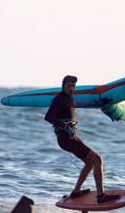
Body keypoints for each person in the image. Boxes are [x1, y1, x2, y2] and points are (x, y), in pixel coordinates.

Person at [45, 75, 119, 203]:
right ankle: (101, 196)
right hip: (66, 139)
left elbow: (78, 104)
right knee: (97, 160)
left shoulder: (69, 99)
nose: (71, 88)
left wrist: (99, 103)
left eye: (73, 86)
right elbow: (48, 117)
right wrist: (64, 127)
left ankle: (76, 192)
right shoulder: (59, 99)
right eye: (68, 85)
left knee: (90, 163)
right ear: (63, 85)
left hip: (70, 138)